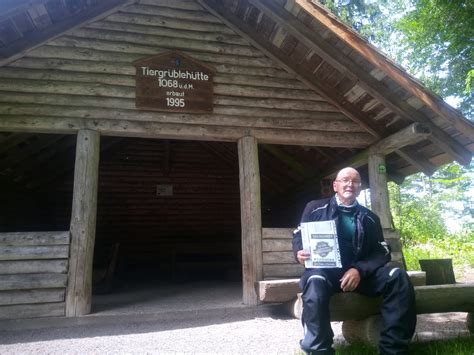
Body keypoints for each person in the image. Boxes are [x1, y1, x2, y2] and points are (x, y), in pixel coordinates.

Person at [292, 167, 416, 355]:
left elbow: (382, 252)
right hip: (326, 273)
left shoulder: (370, 217)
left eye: (355, 181)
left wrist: (359, 269)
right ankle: (319, 350)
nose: (350, 184)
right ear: (335, 185)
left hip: (362, 276)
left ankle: (394, 349)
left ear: (359, 187)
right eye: (344, 180)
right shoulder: (314, 208)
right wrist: (298, 252)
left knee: (397, 275)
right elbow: (299, 236)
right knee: (314, 280)